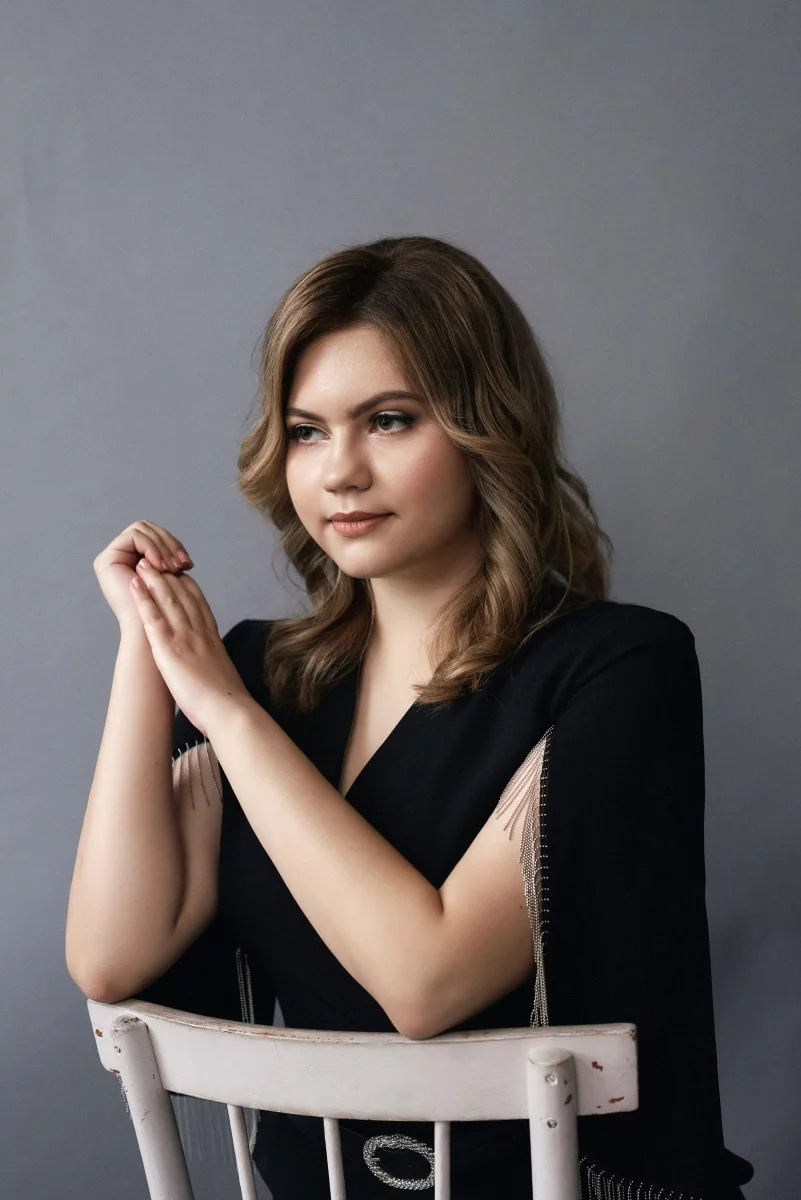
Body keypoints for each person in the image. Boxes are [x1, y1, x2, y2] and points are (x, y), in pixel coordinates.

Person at [67, 235, 755, 1198]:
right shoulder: (264, 671)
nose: (339, 472)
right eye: (306, 431)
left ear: (485, 428)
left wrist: (224, 710)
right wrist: (148, 649)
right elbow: (110, 958)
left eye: (387, 421)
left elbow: (425, 985)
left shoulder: (617, 667)